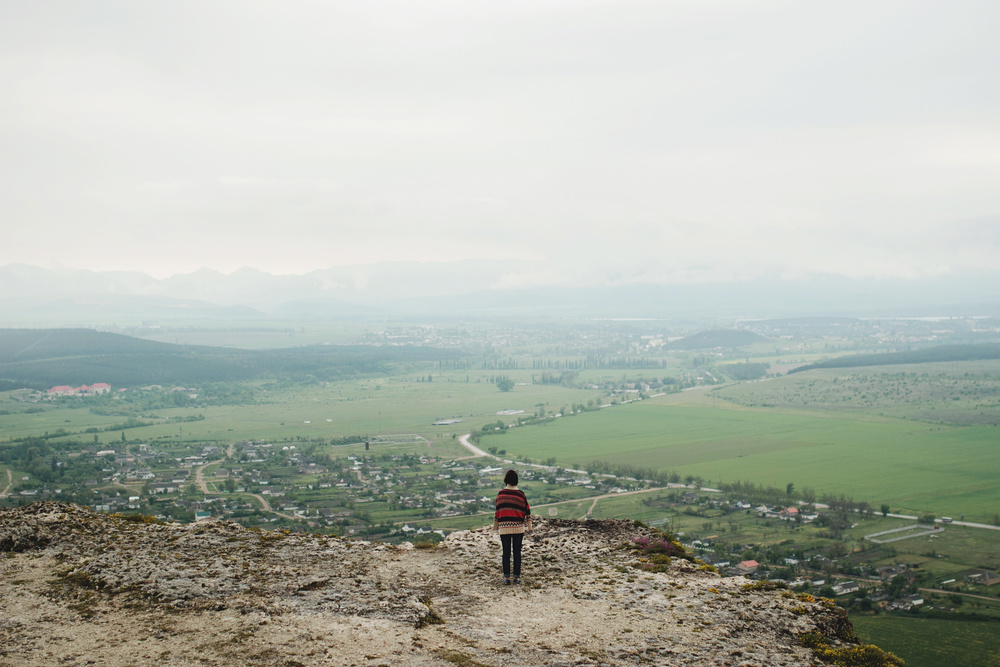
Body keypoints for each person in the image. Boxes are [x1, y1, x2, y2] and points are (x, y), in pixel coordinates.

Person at [493, 469, 531, 585]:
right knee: (517, 553)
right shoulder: (521, 494)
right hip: (518, 528)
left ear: (506, 480)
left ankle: (506, 577)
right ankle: (517, 577)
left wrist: (496, 526)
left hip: (504, 527)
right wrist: (528, 526)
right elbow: (527, 510)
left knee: (506, 552)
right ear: (516, 481)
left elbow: (498, 510)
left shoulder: (501, 494)